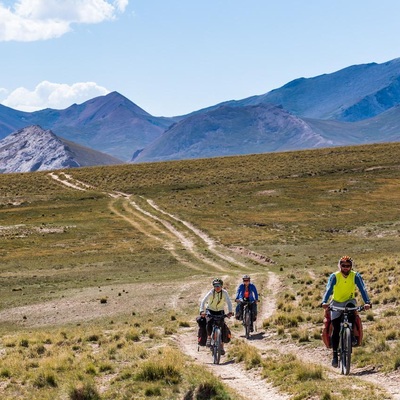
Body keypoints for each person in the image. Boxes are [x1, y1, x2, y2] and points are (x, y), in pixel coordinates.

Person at [321, 256, 371, 367]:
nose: (346, 268)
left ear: (351, 266)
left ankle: (351, 335)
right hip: (336, 302)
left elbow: (362, 289)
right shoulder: (334, 276)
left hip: (350, 301)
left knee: (352, 314)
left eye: (348, 266)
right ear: (340, 266)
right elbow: (328, 289)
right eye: (343, 266)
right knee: (336, 328)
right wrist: (324, 301)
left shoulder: (355, 276)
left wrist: (367, 302)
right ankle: (334, 355)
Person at [199, 278, 233, 355]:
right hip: (210, 310)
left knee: (222, 326)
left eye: (219, 285)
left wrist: (230, 312)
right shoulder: (211, 292)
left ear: (221, 286)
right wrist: (202, 311)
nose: (217, 287)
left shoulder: (224, 293)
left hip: (220, 311)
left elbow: (229, 302)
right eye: (215, 285)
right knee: (209, 322)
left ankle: (221, 346)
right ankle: (209, 337)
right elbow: (203, 301)